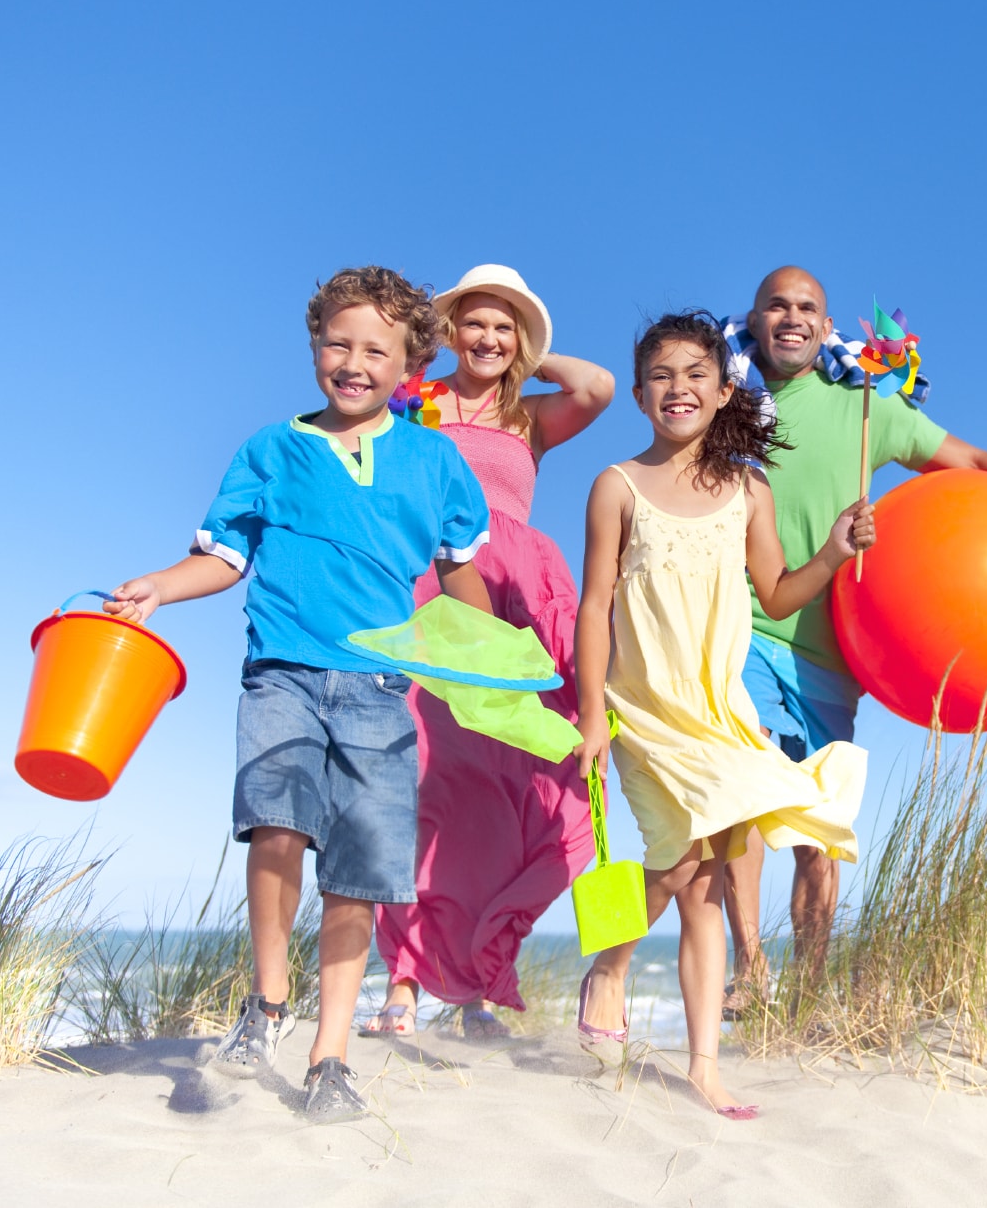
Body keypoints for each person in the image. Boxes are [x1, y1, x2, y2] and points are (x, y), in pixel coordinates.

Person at [103, 266, 494, 1120]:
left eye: (376, 351)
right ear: (315, 346)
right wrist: (161, 588)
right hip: (282, 668)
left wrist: (499, 654)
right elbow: (225, 556)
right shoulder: (268, 450)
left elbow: (459, 573)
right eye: (337, 343)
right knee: (275, 819)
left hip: (381, 688)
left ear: (409, 364)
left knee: (357, 871)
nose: (353, 362)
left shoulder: (435, 460)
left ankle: (330, 1057)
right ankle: (268, 1001)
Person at [721, 266, 987, 1013]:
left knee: (818, 829)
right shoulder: (732, 400)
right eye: (777, 305)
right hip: (745, 622)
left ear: (824, 323)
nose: (791, 317)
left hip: (835, 649)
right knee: (740, 787)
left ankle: (805, 986)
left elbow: (968, 463)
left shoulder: (866, 399)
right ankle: (747, 970)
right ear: (756, 315)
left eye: (806, 307)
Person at [572, 311, 874, 1117]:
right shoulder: (617, 485)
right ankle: (606, 964)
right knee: (675, 866)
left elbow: (776, 593)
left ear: (722, 388)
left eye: (695, 374)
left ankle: (704, 1065)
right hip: (643, 710)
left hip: (720, 713)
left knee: (705, 881)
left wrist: (835, 552)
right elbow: (593, 604)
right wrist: (591, 714)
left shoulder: (747, 489)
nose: (679, 388)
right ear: (639, 395)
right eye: (662, 376)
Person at [363, 264, 615, 1039]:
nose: (488, 338)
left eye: (504, 326)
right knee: (422, 780)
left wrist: (524, 355)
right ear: (447, 332)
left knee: (513, 791)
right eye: (474, 322)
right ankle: (403, 983)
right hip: (432, 595)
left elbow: (599, 387)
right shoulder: (417, 405)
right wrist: (431, 353)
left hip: (516, 599)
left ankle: (476, 983)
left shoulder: (530, 415)